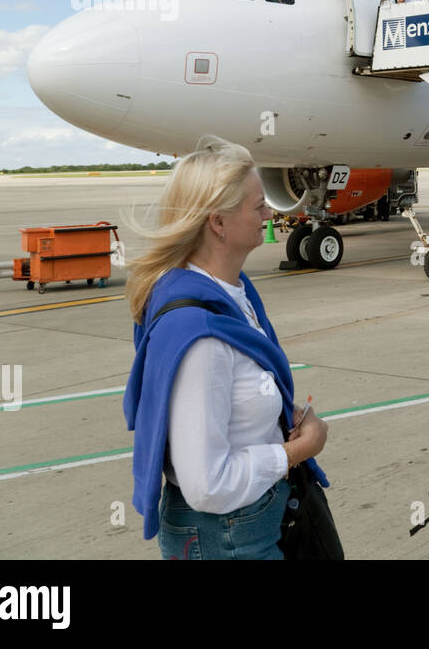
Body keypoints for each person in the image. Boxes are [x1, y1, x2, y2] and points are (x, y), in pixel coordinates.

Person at [123, 136, 330, 559]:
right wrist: (297, 451)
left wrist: (278, 412)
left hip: (249, 525)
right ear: (218, 223)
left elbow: (235, 396)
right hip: (226, 538)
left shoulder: (234, 293)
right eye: (258, 207)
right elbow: (207, 485)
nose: (269, 214)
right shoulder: (202, 338)